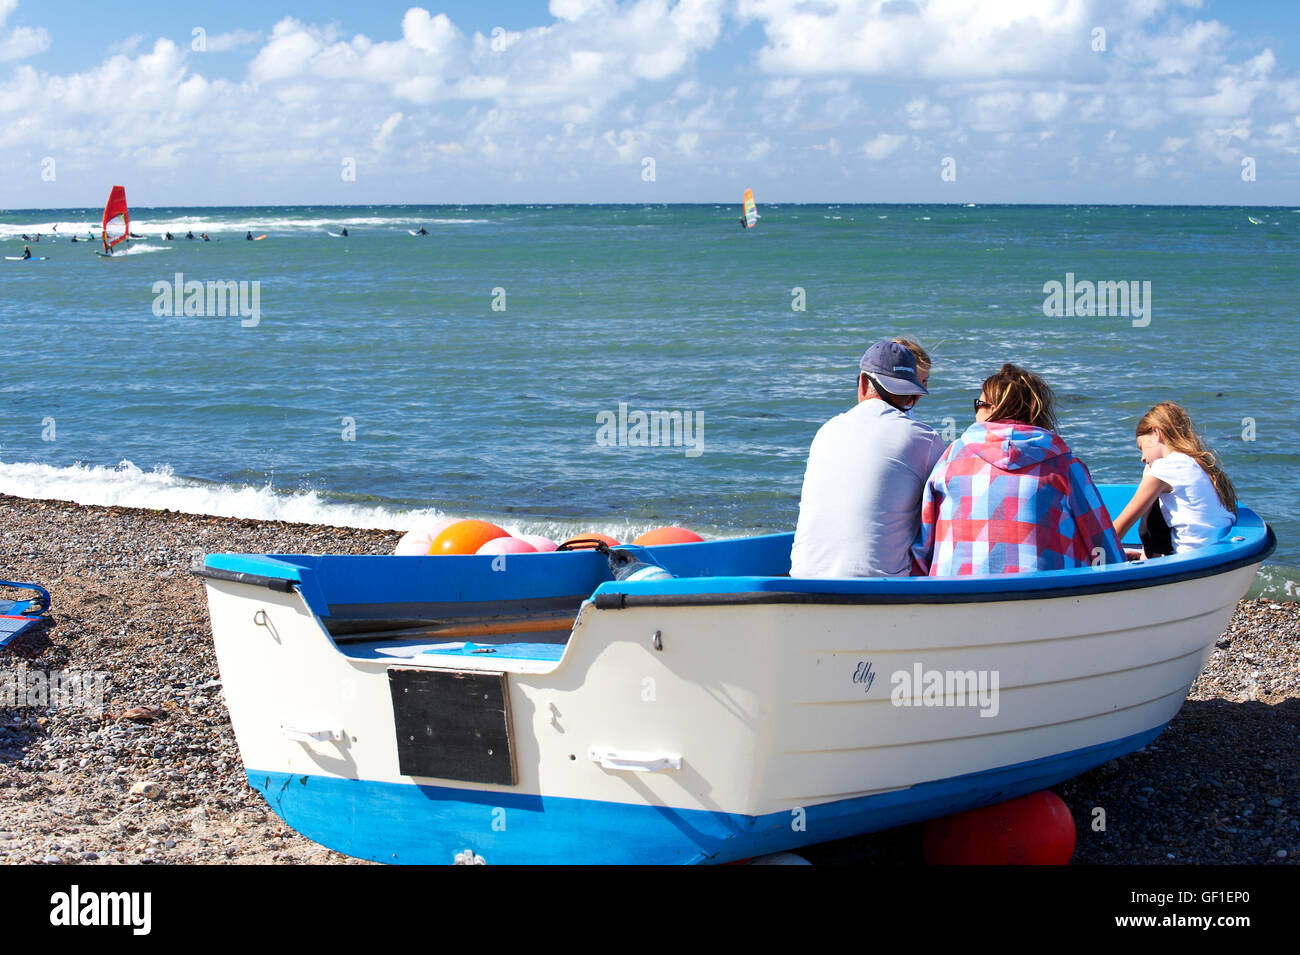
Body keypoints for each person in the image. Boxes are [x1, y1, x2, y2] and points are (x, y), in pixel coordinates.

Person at [912, 363, 1123, 576]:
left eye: (979, 404)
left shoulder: (951, 458)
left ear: (992, 409)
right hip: (1044, 596)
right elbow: (1102, 544)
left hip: (959, 593)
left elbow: (925, 538)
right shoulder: (1065, 466)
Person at [790, 340, 946, 578]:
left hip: (804, 578)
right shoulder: (925, 439)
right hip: (881, 587)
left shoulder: (827, 431)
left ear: (862, 382)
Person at [1111, 402, 1236, 557]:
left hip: (1189, 559)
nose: (1143, 458)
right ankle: (1148, 555)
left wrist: (1096, 557)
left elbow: (1121, 526)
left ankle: (1152, 557)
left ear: (1156, 433)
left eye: (1141, 448)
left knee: (1150, 498)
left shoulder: (1166, 467)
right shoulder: (1198, 463)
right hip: (1216, 553)